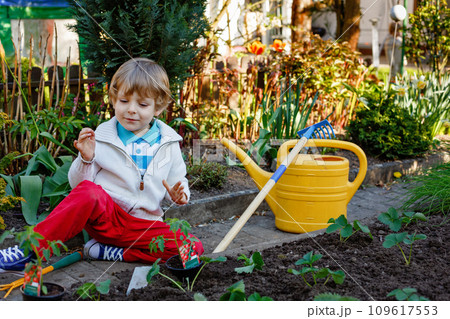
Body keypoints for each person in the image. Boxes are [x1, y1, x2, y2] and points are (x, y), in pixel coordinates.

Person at [0, 58, 203, 271]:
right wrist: (86, 159)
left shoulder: (168, 144)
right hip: (106, 219)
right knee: (89, 191)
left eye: (142, 104)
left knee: (192, 248)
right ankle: (27, 251)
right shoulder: (102, 137)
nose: (131, 110)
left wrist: (179, 195)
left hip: (144, 225)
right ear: (114, 100)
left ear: (158, 107)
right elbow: (80, 187)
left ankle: (112, 253)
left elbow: (178, 180)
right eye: (124, 101)